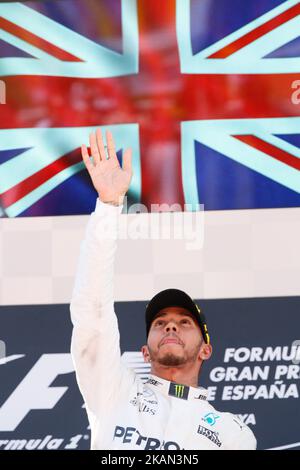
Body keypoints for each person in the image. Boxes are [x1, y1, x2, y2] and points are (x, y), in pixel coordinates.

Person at [70, 128, 257, 450]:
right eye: (160, 323)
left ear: (205, 350)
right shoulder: (113, 389)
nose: (170, 325)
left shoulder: (232, 433)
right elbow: (92, 310)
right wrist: (109, 206)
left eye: (185, 322)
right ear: (145, 352)